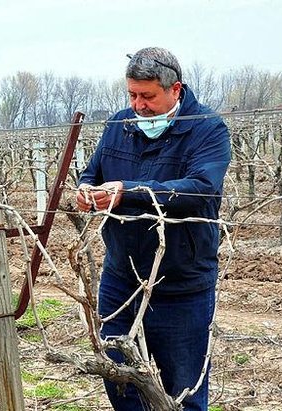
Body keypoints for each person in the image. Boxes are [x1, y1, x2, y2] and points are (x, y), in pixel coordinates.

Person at [76, 47, 230, 410]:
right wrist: (86, 190)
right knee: (120, 378)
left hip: (180, 282)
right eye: (132, 95)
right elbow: (93, 172)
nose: (138, 105)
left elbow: (201, 189)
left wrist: (127, 192)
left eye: (147, 96)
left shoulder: (207, 129)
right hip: (120, 277)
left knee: (183, 390)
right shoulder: (119, 125)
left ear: (175, 90)